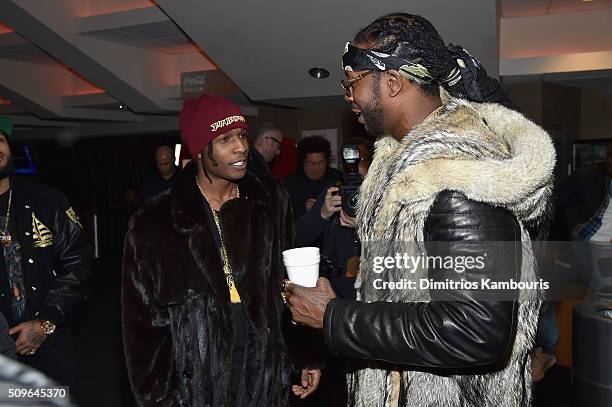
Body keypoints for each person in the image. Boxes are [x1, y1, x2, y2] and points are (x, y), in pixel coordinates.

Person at [284, 13, 555, 407]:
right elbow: (409, 294)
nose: (348, 97)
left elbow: (475, 330)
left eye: (352, 84)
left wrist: (335, 317)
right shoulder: (404, 165)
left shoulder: (458, 174)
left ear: (392, 82)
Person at [122, 95, 320, 406]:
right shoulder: (154, 221)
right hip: (196, 384)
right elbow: (143, 326)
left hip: (263, 374)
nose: (241, 147)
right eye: (225, 139)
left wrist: (306, 355)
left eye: (242, 136)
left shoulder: (269, 200)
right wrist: (157, 399)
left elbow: (288, 286)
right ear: (200, 151)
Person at [0, 116, 91, 387]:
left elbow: (78, 263)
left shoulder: (46, 200)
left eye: (0, 140)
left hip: (48, 341)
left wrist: (46, 321)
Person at [283, 136, 343, 219]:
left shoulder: (336, 177)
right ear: (303, 162)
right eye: (312, 163)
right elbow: (284, 215)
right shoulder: (290, 183)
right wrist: (303, 208)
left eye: (321, 163)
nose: (317, 167)